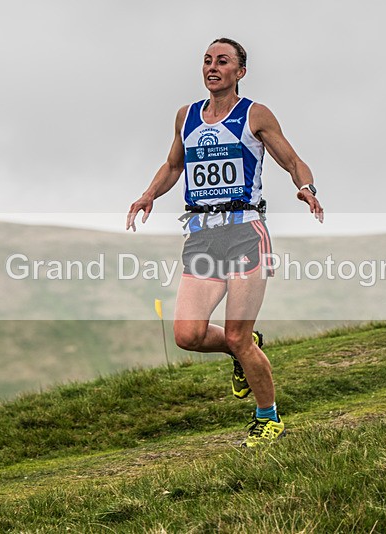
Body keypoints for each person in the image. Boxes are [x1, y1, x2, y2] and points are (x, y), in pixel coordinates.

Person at [126, 37, 323, 447]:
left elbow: (291, 159)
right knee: (187, 334)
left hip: (245, 233)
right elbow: (173, 165)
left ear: (240, 72)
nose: (212, 67)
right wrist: (148, 194)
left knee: (236, 333)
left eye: (223, 61)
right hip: (201, 236)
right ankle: (242, 350)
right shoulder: (186, 117)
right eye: (207, 61)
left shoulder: (255, 114)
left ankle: (268, 417)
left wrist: (305, 187)